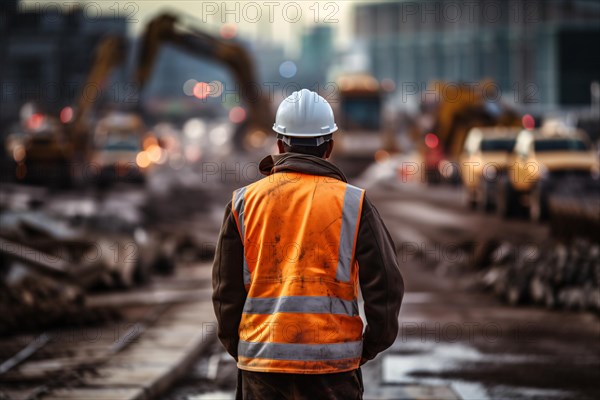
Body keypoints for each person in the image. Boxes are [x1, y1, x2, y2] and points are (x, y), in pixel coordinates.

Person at [212, 89, 404, 400]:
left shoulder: (244, 203)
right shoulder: (354, 203)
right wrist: (364, 348)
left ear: (279, 143)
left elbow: (225, 291)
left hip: (261, 366)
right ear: (329, 146)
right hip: (332, 370)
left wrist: (244, 349)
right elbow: (386, 285)